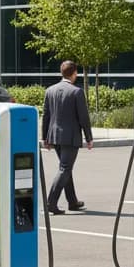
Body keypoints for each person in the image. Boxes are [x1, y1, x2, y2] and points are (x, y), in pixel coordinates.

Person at [41, 60, 93, 215]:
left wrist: (45, 137)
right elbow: (83, 117)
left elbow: (46, 116)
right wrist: (89, 137)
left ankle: (72, 201)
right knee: (65, 168)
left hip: (55, 136)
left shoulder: (50, 90)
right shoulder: (77, 92)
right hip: (70, 137)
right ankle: (51, 203)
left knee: (66, 167)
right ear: (75, 73)